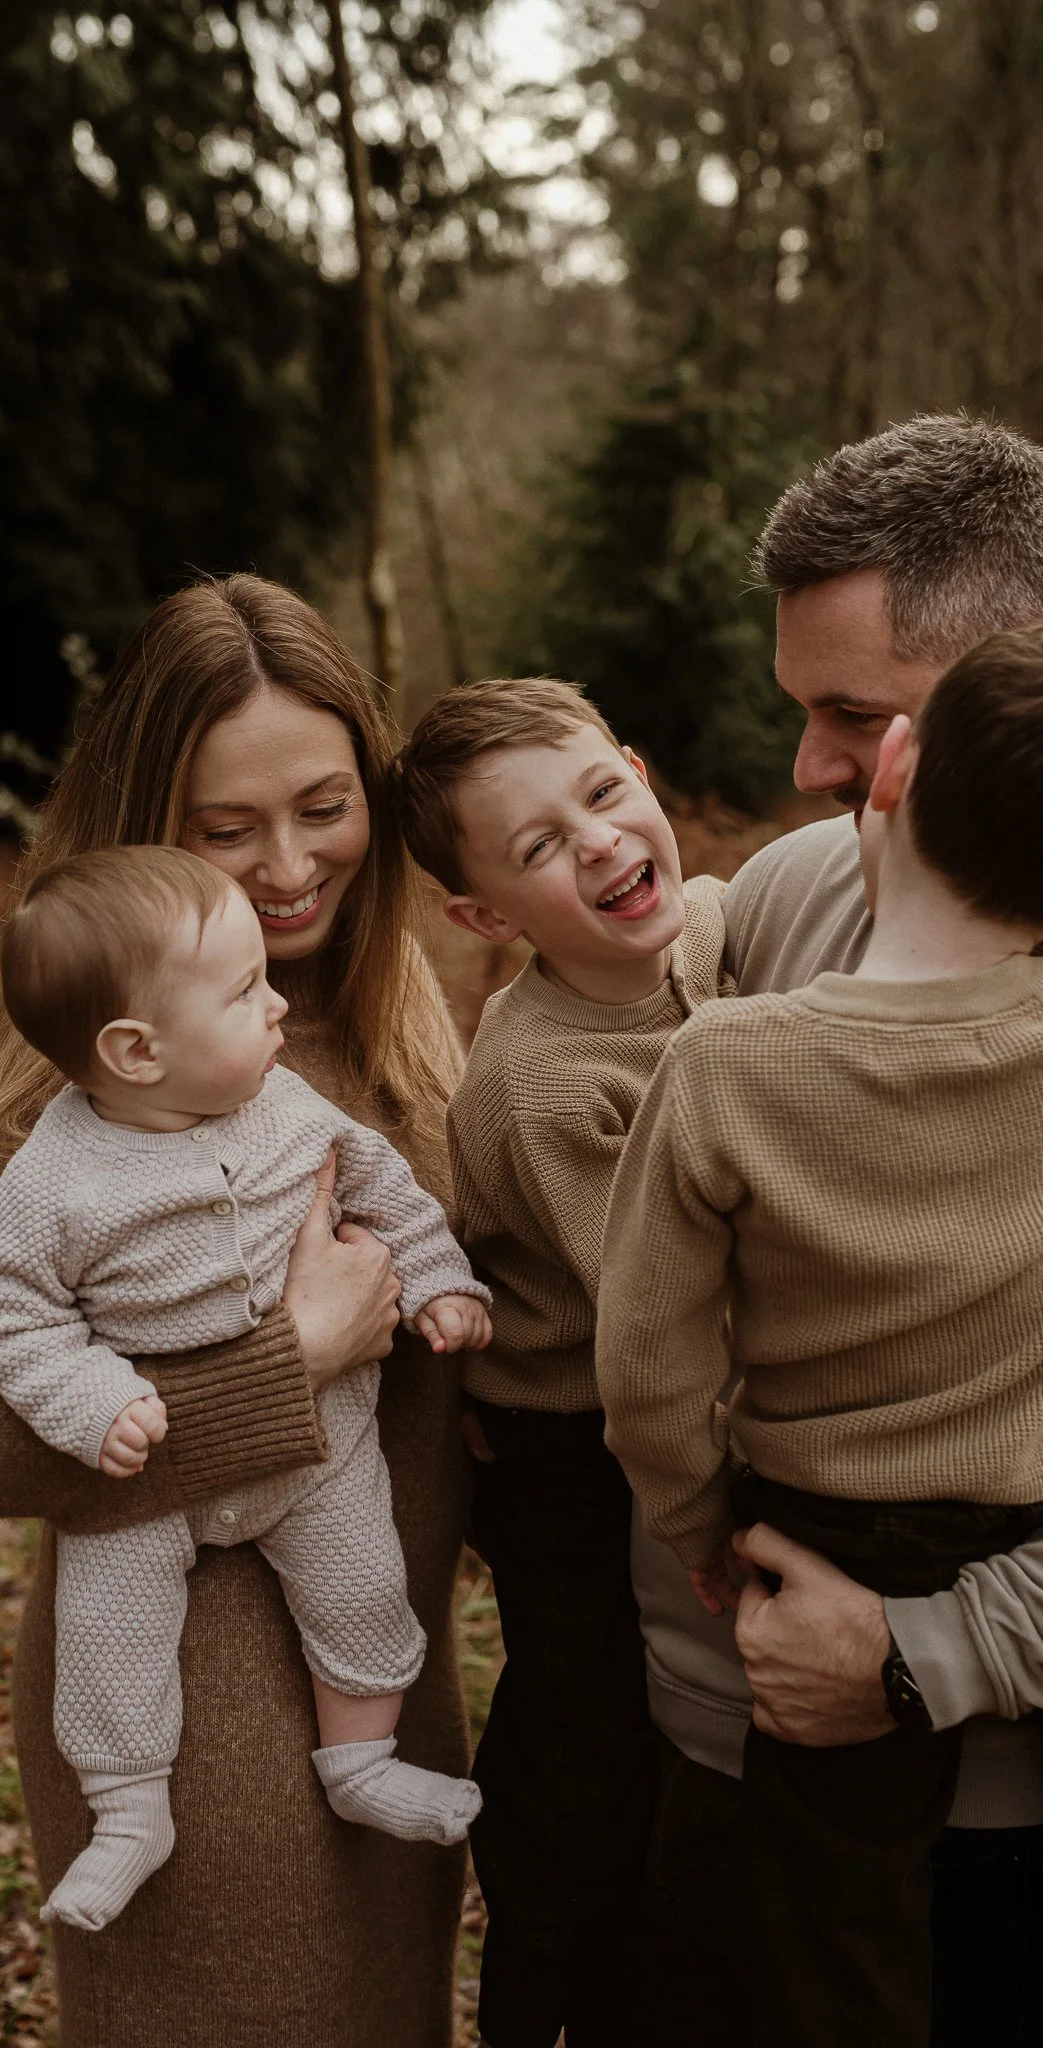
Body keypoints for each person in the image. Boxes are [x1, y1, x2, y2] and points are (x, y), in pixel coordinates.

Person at [0, 575, 474, 2048]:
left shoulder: (402, 1005)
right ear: (150, 819)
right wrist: (289, 1362)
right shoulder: (86, 1080)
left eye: (323, 805)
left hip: (382, 1667)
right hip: (188, 1717)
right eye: (227, 830)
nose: (287, 867)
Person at [632, 413, 1043, 2046]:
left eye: (849, 716)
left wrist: (918, 1648)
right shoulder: (797, 891)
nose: (807, 763)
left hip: (996, 1822)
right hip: (719, 1773)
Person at [0, 846, 490, 1930]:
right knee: (109, 1628)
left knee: (361, 1584)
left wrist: (436, 1280)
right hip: (150, 1476)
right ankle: (126, 1809)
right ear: (134, 1050)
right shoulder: (51, 1176)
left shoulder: (288, 1107)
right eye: (245, 990)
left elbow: (385, 1190)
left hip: (317, 1451)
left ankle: (362, 1757)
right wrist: (88, 1400)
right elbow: (11, 1314)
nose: (278, 1005)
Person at [395, 677, 730, 2048]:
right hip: (565, 1442)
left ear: (641, 776)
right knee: (590, 1732)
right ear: (482, 916)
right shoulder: (539, 1083)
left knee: (684, 1754)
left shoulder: (719, 933)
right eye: (535, 847)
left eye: (598, 795)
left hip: (670, 1400)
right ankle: (539, 1980)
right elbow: (657, 1317)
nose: (593, 842)